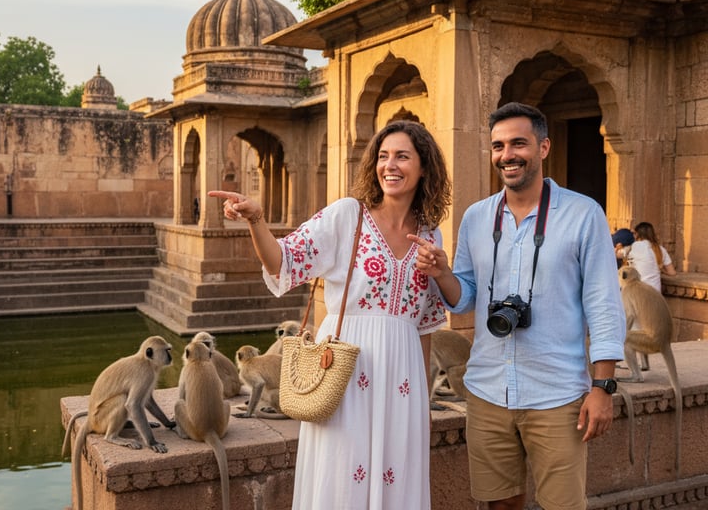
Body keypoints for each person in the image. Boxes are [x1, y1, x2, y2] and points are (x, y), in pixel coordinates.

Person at [209, 120, 453, 510]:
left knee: (398, 478)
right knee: (343, 477)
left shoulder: (430, 234)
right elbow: (283, 261)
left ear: (424, 167)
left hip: (402, 380)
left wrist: (420, 401)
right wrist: (257, 220)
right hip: (346, 373)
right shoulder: (347, 216)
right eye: (383, 156)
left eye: (402, 156)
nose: (390, 165)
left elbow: (423, 324)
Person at [411, 102, 626, 510]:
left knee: (563, 505)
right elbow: (466, 298)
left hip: (557, 393)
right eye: (498, 146)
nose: (507, 155)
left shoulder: (582, 215)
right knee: (499, 504)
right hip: (488, 390)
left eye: (518, 144)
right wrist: (442, 274)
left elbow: (603, 305)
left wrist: (602, 387)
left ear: (543, 148)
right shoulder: (476, 218)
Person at [625, 221, 676, 292]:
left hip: (639, 292)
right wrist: (662, 270)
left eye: (634, 233)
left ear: (637, 234)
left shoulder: (636, 245)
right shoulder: (661, 249)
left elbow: (620, 255)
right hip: (655, 293)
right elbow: (672, 272)